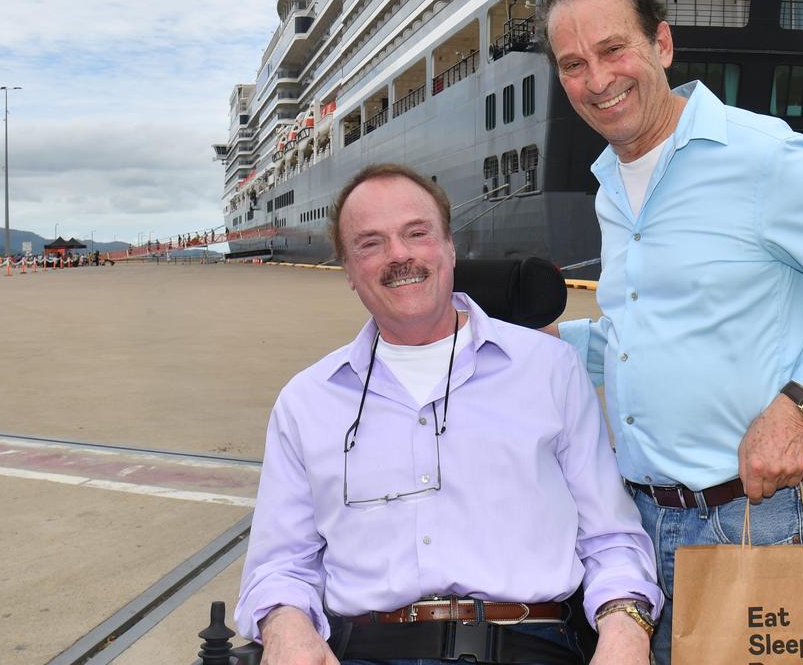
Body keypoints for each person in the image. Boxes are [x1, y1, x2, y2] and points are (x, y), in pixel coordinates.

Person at [540, 0, 803, 664]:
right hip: (632, 523)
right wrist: (543, 345)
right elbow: (646, 336)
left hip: (749, 518)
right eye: (573, 64)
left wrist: (796, 409)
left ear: (661, 44)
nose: (597, 80)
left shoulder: (762, 158)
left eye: (612, 50)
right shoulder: (611, 183)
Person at [235, 163, 661, 665]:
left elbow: (611, 538)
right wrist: (285, 625)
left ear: (450, 248)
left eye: (417, 233)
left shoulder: (549, 371)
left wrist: (625, 632)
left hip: (528, 646)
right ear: (348, 271)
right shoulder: (306, 401)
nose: (400, 255)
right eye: (370, 243)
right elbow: (280, 564)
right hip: (367, 650)